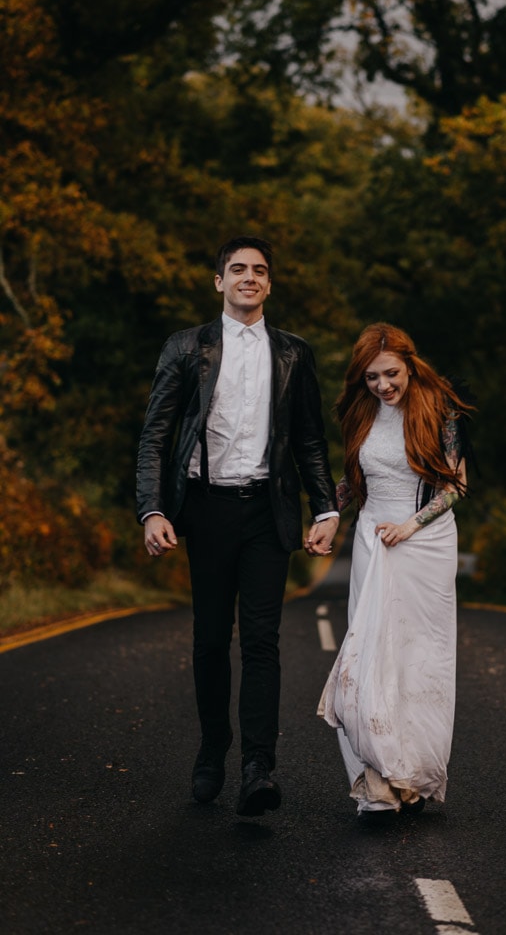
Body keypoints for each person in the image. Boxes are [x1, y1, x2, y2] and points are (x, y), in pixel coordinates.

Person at [137, 235, 339, 817]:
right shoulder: (186, 347)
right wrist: (152, 510)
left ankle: (258, 767)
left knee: (261, 642)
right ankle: (212, 751)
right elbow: (155, 435)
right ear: (219, 281)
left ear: (269, 284)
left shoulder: (294, 353)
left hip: (266, 512)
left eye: (260, 271)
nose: (249, 277)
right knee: (208, 641)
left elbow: (308, 440)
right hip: (204, 510)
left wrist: (324, 510)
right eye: (237, 269)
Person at [318, 322, 472, 827]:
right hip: (371, 538)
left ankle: (412, 776)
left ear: (409, 364)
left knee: (416, 656)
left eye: (391, 374)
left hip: (423, 542)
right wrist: (327, 515)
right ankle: (379, 780)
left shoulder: (439, 411)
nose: (383, 385)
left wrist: (409, 525)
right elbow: (354, 478)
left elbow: (453, 487)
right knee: (368, 652)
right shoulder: (362, 413)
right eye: (371, 378)